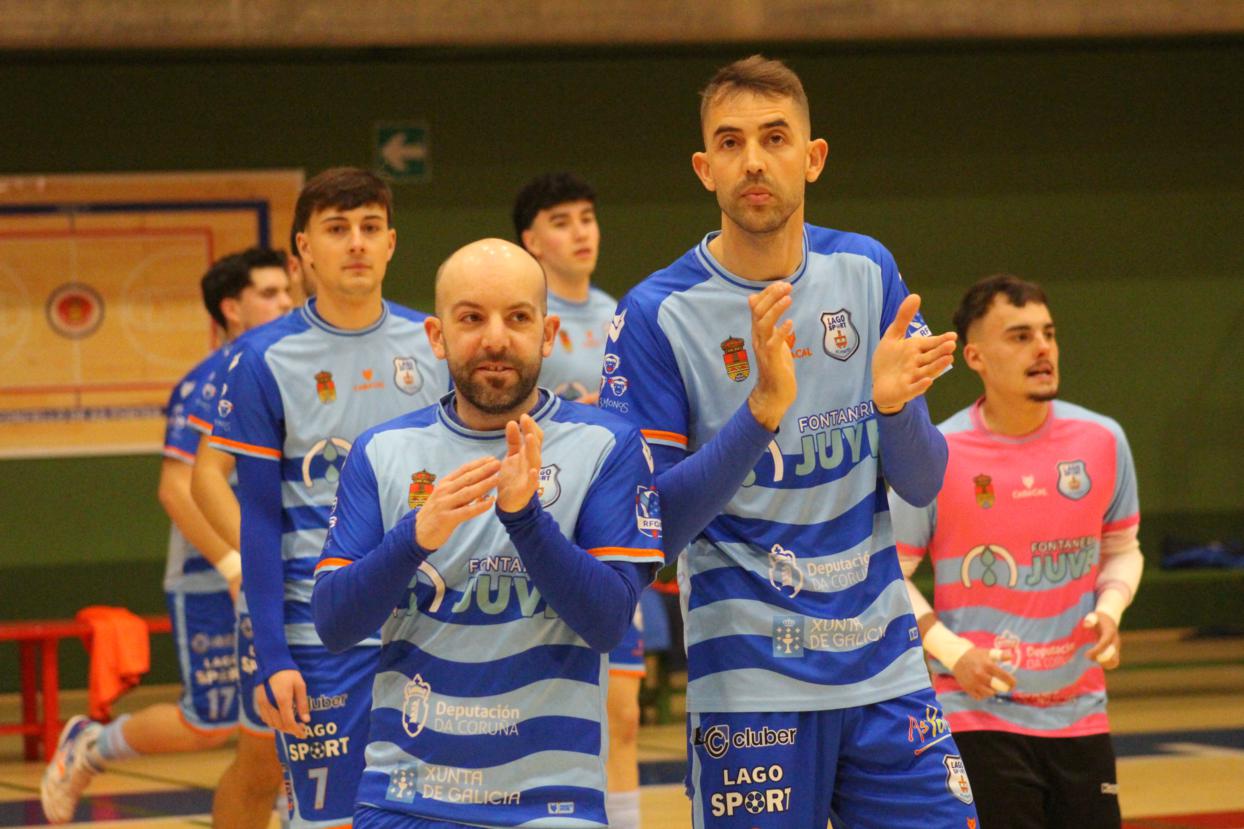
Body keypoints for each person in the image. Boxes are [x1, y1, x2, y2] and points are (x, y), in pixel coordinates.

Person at [598, 55, 976, 827]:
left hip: (885, 671)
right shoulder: (658, 314)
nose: (753, 161)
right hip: (750, 688)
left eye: (774, 138)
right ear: (705, 168)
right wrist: (759, 416)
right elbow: (653, 528)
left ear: (813, 157)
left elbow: (924, 480)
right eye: (730, 142)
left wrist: (894, 407)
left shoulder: (866, 269)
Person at [311, 237, 662, 828]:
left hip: (551, 805)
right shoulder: (382, 451)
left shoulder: (608, 445)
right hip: (404, 799)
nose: (495, 338)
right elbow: (334, 624)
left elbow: (607, 624)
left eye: (518, 318)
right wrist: (414, 538)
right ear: (436, 336)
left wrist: (526, 521)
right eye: (471, 318)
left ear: (548, 333)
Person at [208, 167, 445, 828]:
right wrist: (273, 655)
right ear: (304, 248)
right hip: (320, 638)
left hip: (429, 627)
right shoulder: (263, 359)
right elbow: (260, 519)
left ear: (391, 242)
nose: (357, 243)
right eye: (337, 229)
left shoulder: (435, 345)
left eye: (370, 227)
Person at [41, 248, 292, 825]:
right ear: (232, 308)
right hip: (211, 572)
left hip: (275, 564)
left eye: (287, 290)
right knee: (210, 722)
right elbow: (177, 489)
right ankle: (91, 744)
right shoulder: (209, 379)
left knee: (284, 701)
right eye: (269, 293)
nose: (285, 301)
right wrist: (233, 566)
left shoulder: (291, 366)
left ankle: (290, 799)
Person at [889, 274, 1143, 829]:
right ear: (975, 356)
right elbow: (889, 573)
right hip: (978, 716)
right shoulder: (939, 452)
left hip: (1081, 713)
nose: (1042, 348)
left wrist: (1109, 610)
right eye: (1020, 336)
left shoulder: (1103, 440)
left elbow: (1124, 550)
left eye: (1048, 333)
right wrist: (955, 652)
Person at [513, 171, 646, 828]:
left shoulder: (621, 315)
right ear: (531, 240)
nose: (580, 232)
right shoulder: (516, 319)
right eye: (561, 221)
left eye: (587, 217)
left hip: (608, 531)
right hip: (533, 533)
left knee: (623, 713)